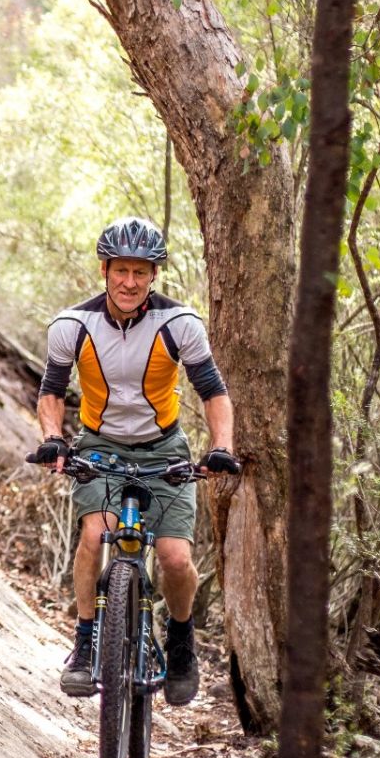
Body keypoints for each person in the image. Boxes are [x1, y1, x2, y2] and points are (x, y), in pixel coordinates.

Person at [33, 216, 241, 706]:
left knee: (175, 558)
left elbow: (212, 390)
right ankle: (85, 644)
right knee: (93, 533)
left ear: (153, 276)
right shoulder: (72, 326)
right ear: (105, 270)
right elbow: (51, 393)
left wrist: (223, 447)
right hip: (98, 445)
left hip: (164, 447)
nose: (129, 282)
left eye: (140, 272)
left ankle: (182, 639)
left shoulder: (178, 324)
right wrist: (52, 440)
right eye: (121, 270)